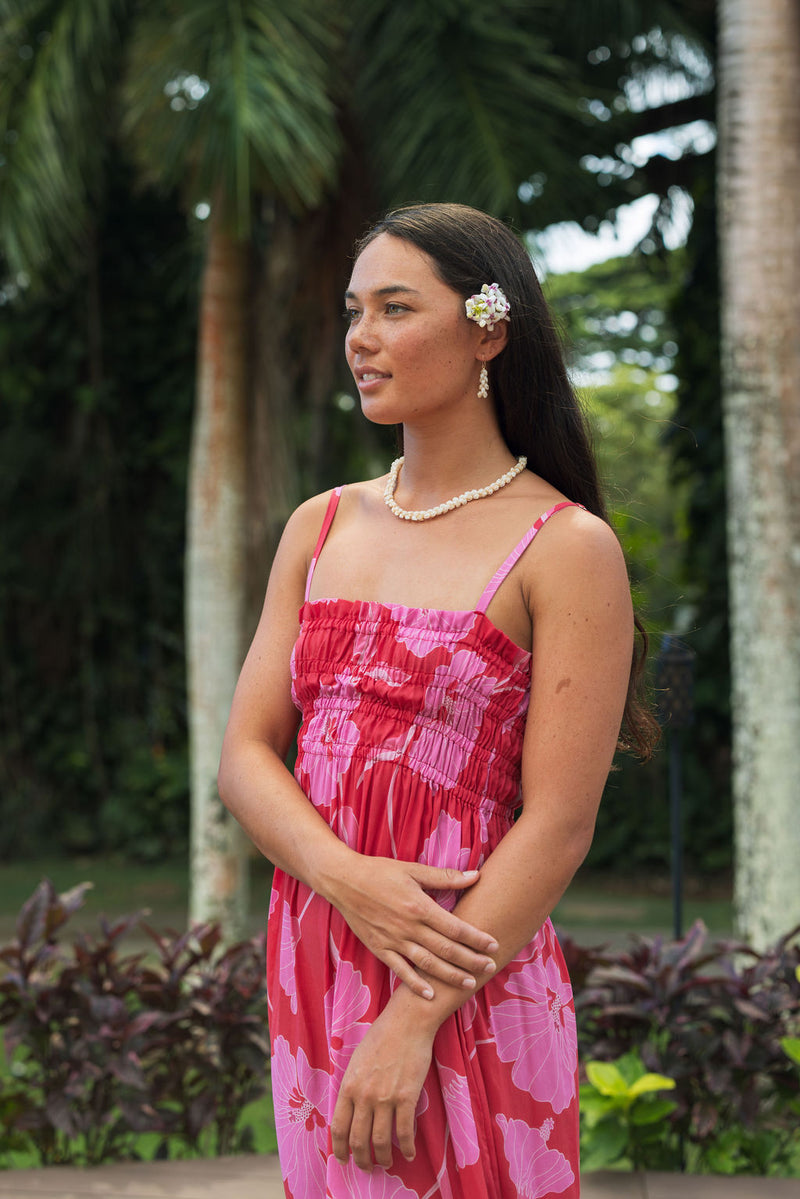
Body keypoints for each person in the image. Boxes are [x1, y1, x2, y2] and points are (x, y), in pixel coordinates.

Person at [218, 202, 657, 1198]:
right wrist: (346, 877)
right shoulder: (320, 524)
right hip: (320, 947)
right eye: (351, 309)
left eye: (393, 308)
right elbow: (245, 755)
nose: (358, 337)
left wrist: (414, 1015)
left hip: (462, 975)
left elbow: (557, 824)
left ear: (485, 330)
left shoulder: (563, 544)